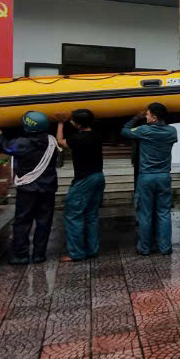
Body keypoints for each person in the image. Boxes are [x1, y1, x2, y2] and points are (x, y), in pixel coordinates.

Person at [0, 111, 60, 265]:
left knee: (22, 222)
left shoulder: (22, 143)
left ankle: (20, 255)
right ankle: (39, 255)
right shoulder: (51, 141)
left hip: (27, 189)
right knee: (44, 221)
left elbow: (6, 147)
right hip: (48, 188)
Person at [121, 103, 178, 256]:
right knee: (164, 212)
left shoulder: (143, 130)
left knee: (145, 213)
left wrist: (135, 118)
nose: (145, 117)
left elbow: (124, 132)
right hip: (164, 177)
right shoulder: (172, 132)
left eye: (147, 115)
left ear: (154, 117)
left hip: (146, 177)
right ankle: (165, 248)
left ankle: (144, 248)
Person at [57, 109, 105, 262]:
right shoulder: (98, 136)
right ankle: (93, 250)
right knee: (91, 215)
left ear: (77, 125)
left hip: (84, 180)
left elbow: (60, 141)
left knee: (73, 216)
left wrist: (59, 123)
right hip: (98, 176)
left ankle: (76, 253)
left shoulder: (76, 139)